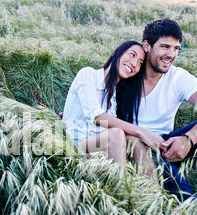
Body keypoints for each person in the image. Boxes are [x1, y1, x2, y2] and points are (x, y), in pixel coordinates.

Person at [117, 18, 197, 204]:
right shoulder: (128, 70)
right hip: (132, 148)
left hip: (165, 146)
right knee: (147, 153)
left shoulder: (177, 77)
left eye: (176, 48)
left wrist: (189, 139)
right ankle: (191, 208)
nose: (171, 54)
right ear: (146, 46)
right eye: (164, 46)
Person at [62, 40, 167, 179]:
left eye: (140, 62)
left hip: (96, 150)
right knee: (116, 134)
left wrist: (139, 136)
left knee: (135, 140)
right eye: (132, 55)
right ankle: (122, 190)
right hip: (73, 147)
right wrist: (143, 132)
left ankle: (152, 194)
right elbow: (96, 117)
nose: (134, 63)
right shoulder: (88, 74)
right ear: (116, 52)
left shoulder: (114, 97)